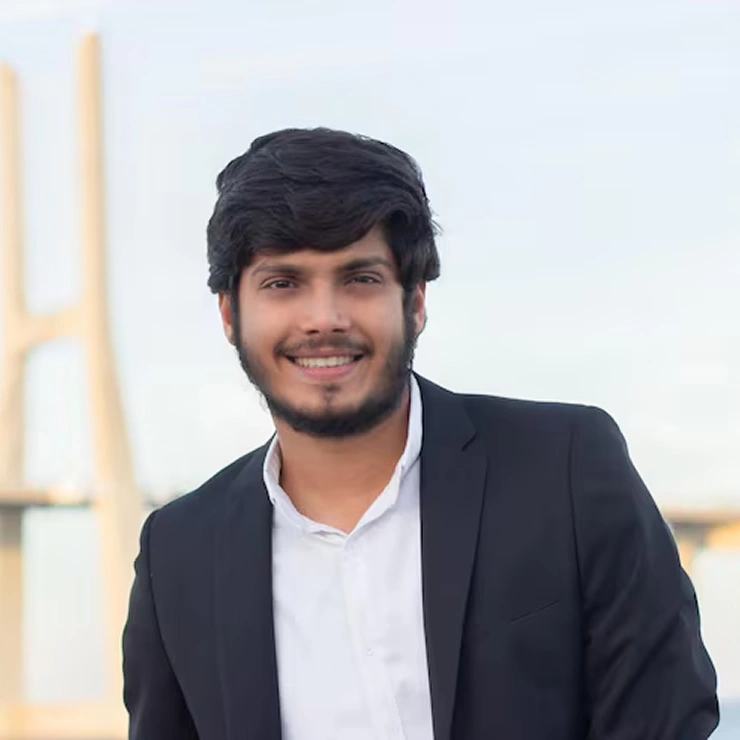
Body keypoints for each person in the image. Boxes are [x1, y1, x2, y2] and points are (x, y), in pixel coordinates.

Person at [122, 127, 719, 739]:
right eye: (283, 283)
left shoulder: (565, 467)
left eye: (360, 278)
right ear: (230, 313)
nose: (324, 318)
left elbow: (667, 716)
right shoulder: (178, 557)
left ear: (415, 302)